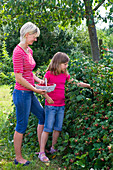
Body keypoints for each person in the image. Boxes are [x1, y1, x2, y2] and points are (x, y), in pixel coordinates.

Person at [38, 52, 91, 163]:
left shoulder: (64, 75)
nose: (66, 66)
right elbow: (42, 89)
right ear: (58, 63)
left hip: (61, 106)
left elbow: (74, 83)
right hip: (51, 106)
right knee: (47, 128)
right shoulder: (49, 74)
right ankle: (42, 152)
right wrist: (47, 97)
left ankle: (53, 148)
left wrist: (87, 85)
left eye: (67, 64)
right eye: (64, 64)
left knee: (58, 128)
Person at [12, 22, 52, 166]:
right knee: (21, 125)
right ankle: (18, 157)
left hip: (30, 91)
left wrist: (39, 80)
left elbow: (29, 72)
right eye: (34, 37)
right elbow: (19, 78)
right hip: (22, 93)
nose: (35, 39)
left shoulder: (29, 50)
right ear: (27, 34)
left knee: (42, 115)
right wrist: (35, 89)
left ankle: (41, 149)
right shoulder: (18, 52)